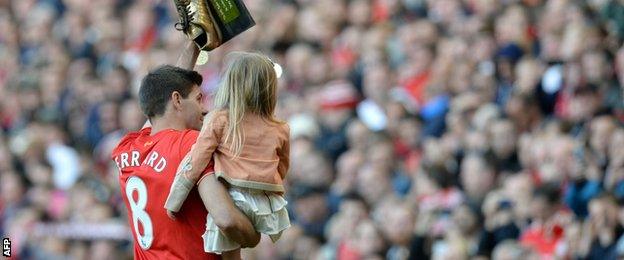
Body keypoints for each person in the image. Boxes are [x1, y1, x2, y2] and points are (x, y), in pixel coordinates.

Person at [111, 41, 260, 259]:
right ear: (177, 100)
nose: (204, 107)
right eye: (199, 99)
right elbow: (225, 219)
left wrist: (193, 47)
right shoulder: (190, 143)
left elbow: (159, 108)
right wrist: (253, 236)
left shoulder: (126, 149)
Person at [165, 52, 291, 259]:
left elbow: (196, 161)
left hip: (234, 199)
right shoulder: (281, 127)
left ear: (230, 84)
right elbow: (282, 167)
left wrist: (174, 202)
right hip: (267, 205)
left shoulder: (219, 119)